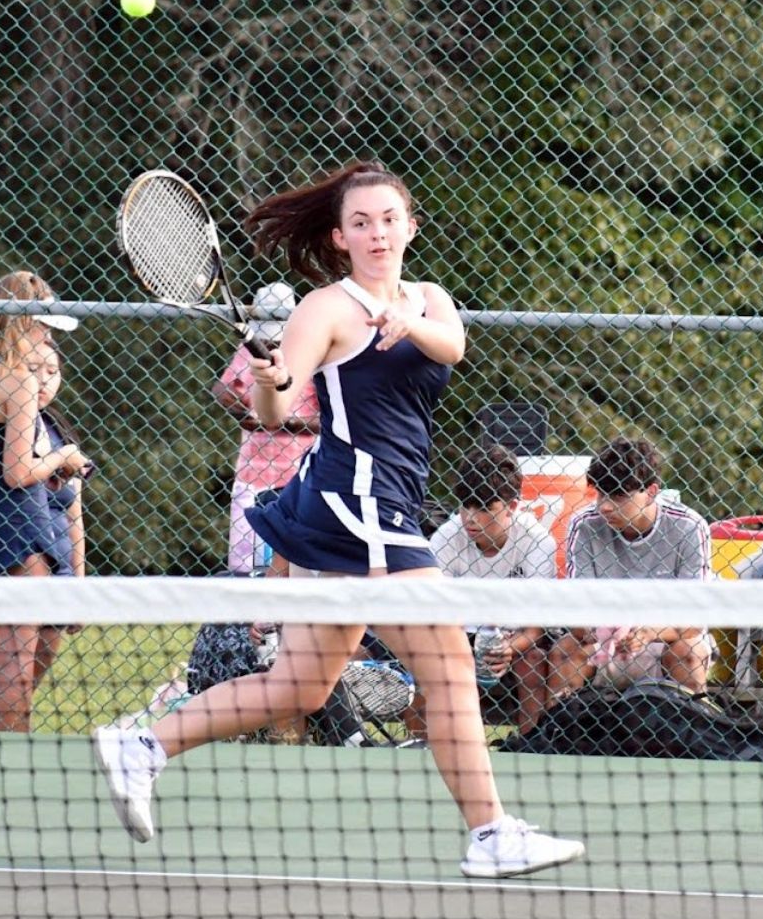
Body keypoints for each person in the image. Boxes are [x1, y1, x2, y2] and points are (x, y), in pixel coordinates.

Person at [93, 161, 584, 879]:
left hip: (379, 506)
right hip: (357, 505)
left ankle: (144, 746)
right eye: (361, 223)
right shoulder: (324, 309)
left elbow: (453, 346)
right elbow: (279, 408)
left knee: (301, 688)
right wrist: (270, 385)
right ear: (341, 236)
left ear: (411, 227)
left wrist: (406, 319)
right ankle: (490, 833)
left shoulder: (432, 299)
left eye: (389, 218)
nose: (377, 232)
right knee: (450, 667)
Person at [0, 272, 91, 732]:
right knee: (14, 662)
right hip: (18, 525)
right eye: (43, 325)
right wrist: (63, 457)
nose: (47, 336)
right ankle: (12, 750)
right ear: (25, 321)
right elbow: (18, 472)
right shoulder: (19, 381)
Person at [539, 437, 715, 718]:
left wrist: (647, 632)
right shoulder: (584, 525)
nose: (605, 506)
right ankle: (557, 740)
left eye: (619, 496)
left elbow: (694, 621)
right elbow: (576, 614)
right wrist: (604, 629)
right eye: (600, 494)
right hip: (601, 642)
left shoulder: (689, 526)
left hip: (664, 642)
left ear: (652, 491)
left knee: (689, 650)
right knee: (565, 649)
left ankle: (692, 737)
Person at [421, 444, 557, 734]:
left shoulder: (538, 542)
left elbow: (536, 629)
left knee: (532, 662)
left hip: (515, 637)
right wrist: (457, 645)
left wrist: (507, 648)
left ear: (512, 506)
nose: (471, 518)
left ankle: (528, 745)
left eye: (484, 508)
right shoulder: (446, 536)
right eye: (465, 505)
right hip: (457, 632)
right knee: (424, 662)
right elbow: (432, 612)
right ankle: (421, 746)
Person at [209, 281, 322, 572]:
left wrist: (281, 422)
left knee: (293, 564)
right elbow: (222, 390)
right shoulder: (250, 349)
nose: (271, 344)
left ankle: (284, 618)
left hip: (299, 476)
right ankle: (253, 618)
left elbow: (327, 420)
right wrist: (242, 408)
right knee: (246, 563)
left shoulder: (308, 353)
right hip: (252, 472)